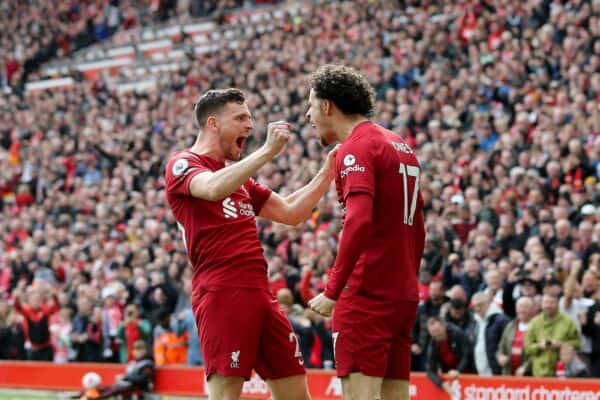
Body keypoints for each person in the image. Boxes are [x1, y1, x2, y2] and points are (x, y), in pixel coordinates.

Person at [164, 88, 337, 400]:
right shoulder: (183, 164)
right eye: (241, 118)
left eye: (251, 118)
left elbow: (291, 212)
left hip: (261, 293)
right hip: (222, 292)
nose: (250, 125)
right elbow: (213, 188)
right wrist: (268, 152)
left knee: (297, 392)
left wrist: (327, 171)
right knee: (226, 395)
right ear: (213, 124)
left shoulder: (238, 178)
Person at [307, 65, 425, 400]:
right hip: (401, 294)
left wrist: (333, 290)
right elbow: (419, 228)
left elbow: (358, 222)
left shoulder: (356, 148)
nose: (308, 115)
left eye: (311, 106)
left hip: (366, 296)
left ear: (327, 106)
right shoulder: (400, 144)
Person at [524, 294, 581, 377]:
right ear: (541, 304)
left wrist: (561, 344)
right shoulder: (534, 322)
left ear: (557, 304)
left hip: (563, 372)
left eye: (552, 302)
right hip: (539, 372)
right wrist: (539, 346)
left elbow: (578, 344)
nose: (548, 306)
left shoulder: (568, 322)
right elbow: (527, 347)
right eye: (546, 302)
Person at [425, 317, 472, 397]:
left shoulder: (457, 333)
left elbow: (467, 355)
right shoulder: (433, 343)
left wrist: (458, 370)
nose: (436, 335)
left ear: (444, 327)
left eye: (438, 331)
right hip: (449, 373)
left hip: (468, 372)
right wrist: (441, 383)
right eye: (433, 333)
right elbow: (430, 370)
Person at [470, 292, 510, 376]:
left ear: (488, 303)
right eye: (475, 306)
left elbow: (508, 343)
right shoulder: (475, 322)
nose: (477, 309)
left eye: (480, 305)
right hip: (480, 372)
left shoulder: (501, 320)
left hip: (497, 371)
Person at [496, 297, 535, 376]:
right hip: (509, 373)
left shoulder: (536, 326)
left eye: (525, 307)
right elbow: (501, 346)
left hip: (528, 375)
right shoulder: (511, 325)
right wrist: (500, 356)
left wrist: (525, 367)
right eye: (520, 307)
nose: (522, 310)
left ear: (532, 309)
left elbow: (537, 352)